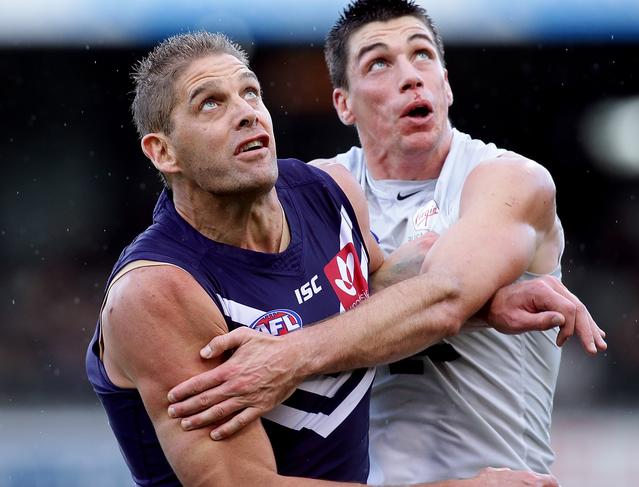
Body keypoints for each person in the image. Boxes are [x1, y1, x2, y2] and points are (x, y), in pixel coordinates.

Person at [83, 29, 591, 487]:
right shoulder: (157, 291)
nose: (246, 112)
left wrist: (488, 306)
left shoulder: (323, 193)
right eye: (210, 104)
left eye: (250, 92)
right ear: (162, 152)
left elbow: (365, 293)